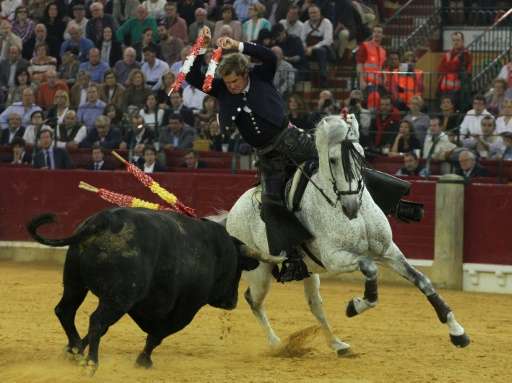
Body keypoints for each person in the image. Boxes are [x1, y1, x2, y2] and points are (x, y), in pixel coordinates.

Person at [186, 26, 317, 282]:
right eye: (229, 82)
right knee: (271, 205)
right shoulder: (222, 89)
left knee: (335, 164)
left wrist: (238, 45)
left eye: (235, 81)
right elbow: (192, 76)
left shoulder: (261, 76)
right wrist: (200, 47)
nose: (232, 86)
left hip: (293, 141)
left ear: (245, 73)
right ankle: (292, 259)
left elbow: (270, 56)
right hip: (268, 157)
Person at [438, 31, 471, 110]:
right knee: (443, 109)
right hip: (444, 88)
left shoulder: (466, 54)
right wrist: (451, 66)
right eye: (454, 40)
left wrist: (449, 66)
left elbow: (457, 68)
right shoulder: (448, 54)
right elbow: (440, 68)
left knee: (453, 109)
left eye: (458, 40)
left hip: (458, 89)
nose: (455, 42)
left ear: (462, 41)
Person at [356, 25, 386, 110]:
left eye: (379, 32)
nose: (377, 34)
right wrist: (361, 80)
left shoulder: (383, 51)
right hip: (367, 83)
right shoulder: (365, 46)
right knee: (374, 98)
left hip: (378, 83)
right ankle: (372, 118)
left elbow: (381, 68)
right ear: (372, 34)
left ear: (382, 35)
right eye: (375, 32)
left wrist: (384, 81)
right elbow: (359, 64)